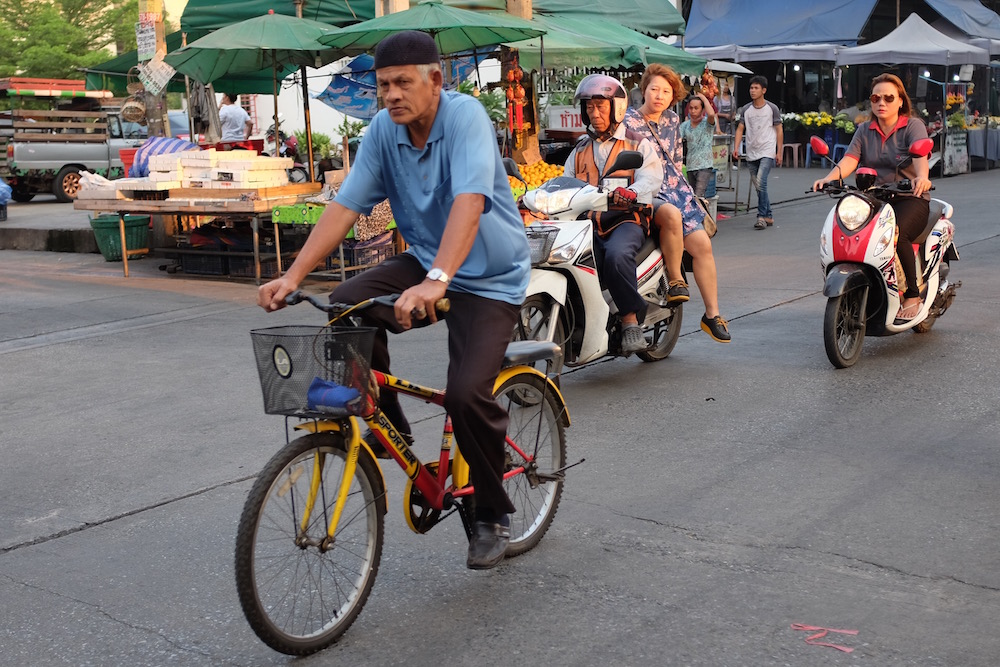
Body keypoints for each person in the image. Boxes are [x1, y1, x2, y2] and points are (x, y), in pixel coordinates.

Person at [256, 31, 530, 570]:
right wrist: (292, 275)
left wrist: (438, 279)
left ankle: (492, 513)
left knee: (467, 393)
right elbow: (346, 205)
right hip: (429, 260)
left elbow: (470, 202)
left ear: (435, 80)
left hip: (489, 275)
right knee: (344, 305)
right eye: (383, 85)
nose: (391, 94)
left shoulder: (466, 118)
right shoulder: (384, 130)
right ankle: (392, 429)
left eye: (403, 82)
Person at [624, 64, 732, 343]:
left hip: (676, 189)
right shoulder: (627, 121)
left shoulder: (673, 120)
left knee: (703, 245)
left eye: (666, 92)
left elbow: (675, 159)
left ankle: (712, 315)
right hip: (645, 189)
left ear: (673, 97)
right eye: (654, 89)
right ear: (643, 90)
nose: (659, 96)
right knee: (670, 216)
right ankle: (675, 280)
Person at [812, 73, 932, 322]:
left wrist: (922, 177)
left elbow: (921, 157)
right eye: (876, 97)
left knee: (896, 233)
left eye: (889, 97)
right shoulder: (864, 130)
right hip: (873, 198)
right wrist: (829, 178)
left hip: (909, 197)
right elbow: (849, 160)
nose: (882, 103)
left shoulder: (912, 126)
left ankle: (912, 293)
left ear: (900, 101)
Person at [562, 74, 664, 354]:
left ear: (617, 107)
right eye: (589, 108)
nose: (594, 114)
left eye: (600, 107)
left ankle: (630, 320)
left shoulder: (636, 143)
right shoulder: (580, 149)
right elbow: (565, 181)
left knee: (617, 256)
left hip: (626, 220)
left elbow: (653, 178)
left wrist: (633, 191)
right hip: (589, 224)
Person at [732, 75, 783, 230]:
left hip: (767, 150)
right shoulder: (746, 109)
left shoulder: (772, 108)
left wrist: (779, 151)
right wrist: (736, 147)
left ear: (764, 90)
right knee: (758, 185)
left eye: (756, 88)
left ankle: (760, 216)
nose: (752, 91)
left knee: (761, 181)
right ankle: (768, 214)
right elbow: (740, 128)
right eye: (751, 88)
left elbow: (779, 130)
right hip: (751, 151)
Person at [679, 92, 718, 197]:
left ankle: (702, 213)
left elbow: (711, 114)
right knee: (692, 196)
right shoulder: (685, 126)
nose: (693, 111)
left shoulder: (707, 123)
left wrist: (704, 99)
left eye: (696, 108)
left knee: (699, 195)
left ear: (702, 109)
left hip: (704, 165)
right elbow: (677, 141)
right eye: (691, 108)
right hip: (690, 165)